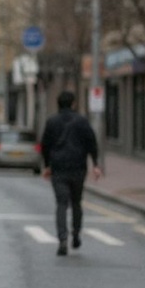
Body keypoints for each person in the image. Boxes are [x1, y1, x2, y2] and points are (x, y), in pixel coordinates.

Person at [40, 90, 102, 256]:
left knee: (61, 204)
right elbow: (91, 142)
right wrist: (95, 164)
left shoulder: (52, 121)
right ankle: (76, 234)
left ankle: (62, 239)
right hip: (78, 167)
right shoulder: (81, 121)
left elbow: (45, 145)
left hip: (58, 168)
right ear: (73, 103)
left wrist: (47, 166)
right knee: (76, 202)